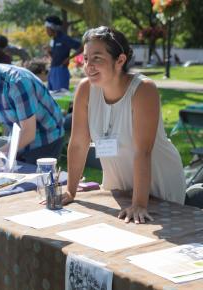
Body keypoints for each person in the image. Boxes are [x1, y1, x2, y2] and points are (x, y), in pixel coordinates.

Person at [63, 26, 186, 224]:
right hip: (119, 187)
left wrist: (139, 203)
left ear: (120, 60)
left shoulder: (143, 89)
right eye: (86, 59)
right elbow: (78, 143)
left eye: (97, 58)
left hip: (159, 185)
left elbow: (142, 151)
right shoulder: (85, 89)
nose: (88, 66)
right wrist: (70, 191)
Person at [0, 44, 65, 165]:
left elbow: (28, 133)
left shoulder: (17, 82)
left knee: (35, 181)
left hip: (46, 137)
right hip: (19, 138)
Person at [45, 15, 83, 91]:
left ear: (53, 27)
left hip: (61, 71)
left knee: (60, 97)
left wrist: (69, 58)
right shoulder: (53, 40)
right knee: (51, 98)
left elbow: (81, 47)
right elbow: (55, 57)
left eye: (47, 28)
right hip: (52, 71)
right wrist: (49, 51)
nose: (46, 31)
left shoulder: (64, 38)